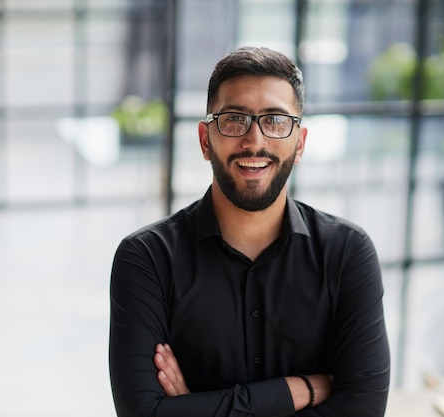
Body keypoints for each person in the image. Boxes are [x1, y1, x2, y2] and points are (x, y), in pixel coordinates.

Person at [109, 46, 391, 417]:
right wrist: (299, 390)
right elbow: (142, 414)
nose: (255, 140)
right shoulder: (146, 259)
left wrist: (197, 408)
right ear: (205, 140)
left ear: (300, 143)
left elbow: (364, 409)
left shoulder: (347, 253)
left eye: (275, 120)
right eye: (234, 119)